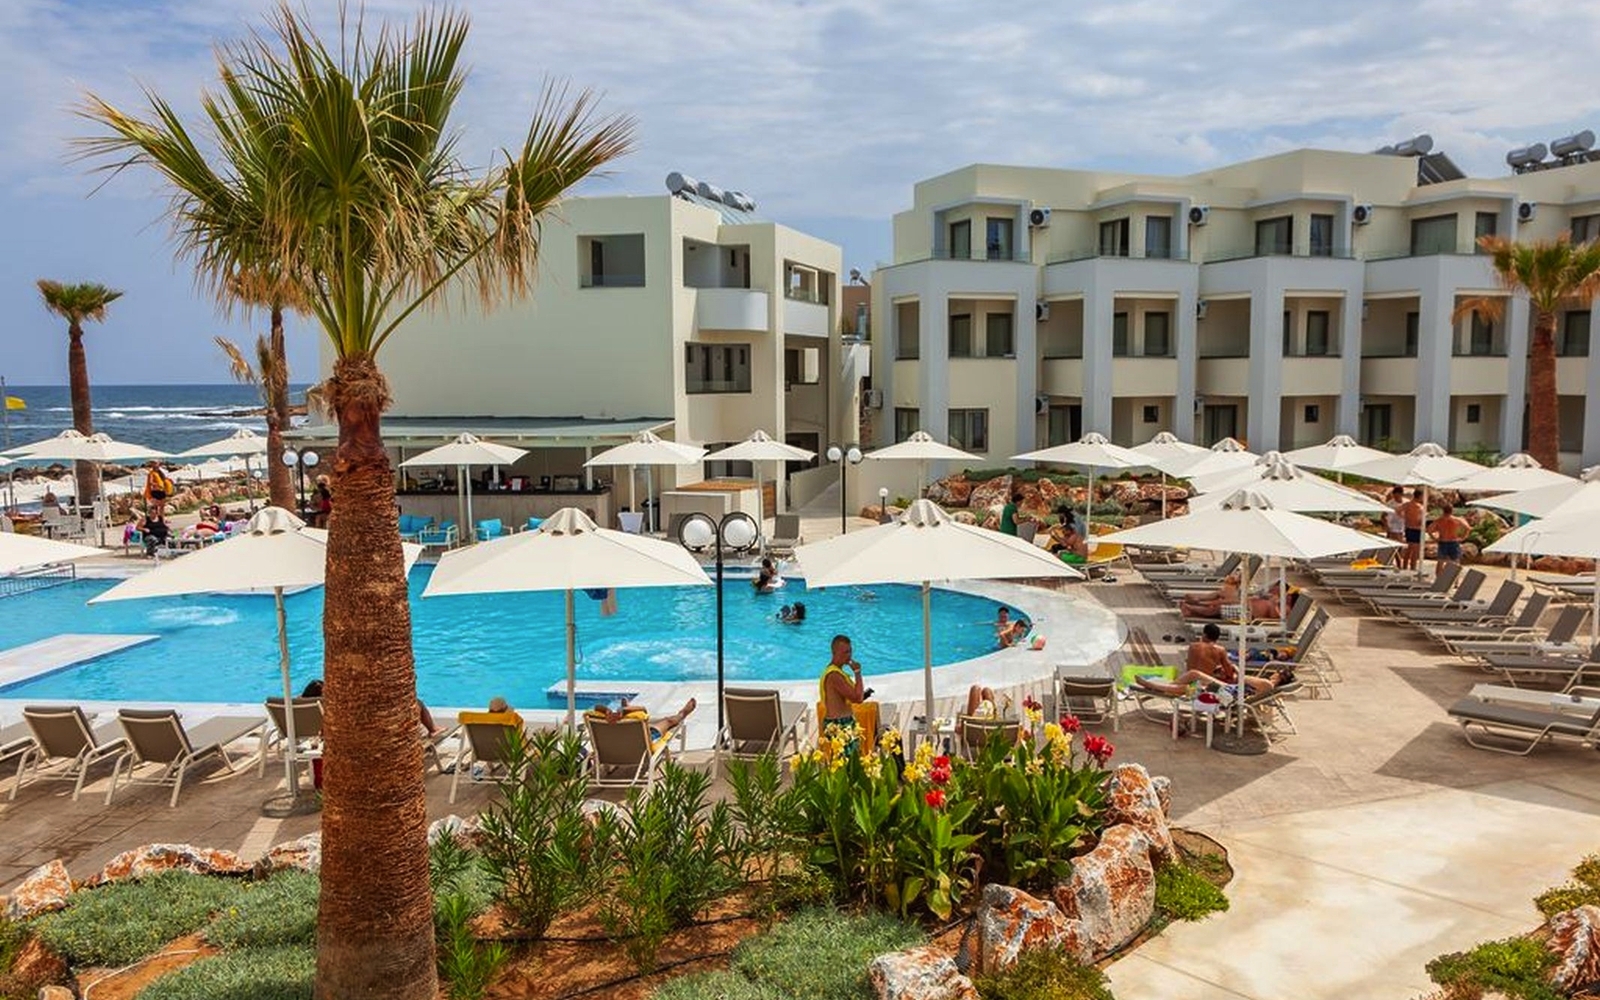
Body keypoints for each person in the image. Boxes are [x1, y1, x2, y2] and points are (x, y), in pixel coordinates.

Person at [588, 696, 697, 745]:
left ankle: (626, 710)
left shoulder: (597, 721)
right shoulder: (637, 721)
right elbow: (644, 711)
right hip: (639, 744)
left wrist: (607, 712)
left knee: (636, 721)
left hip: (613, 748)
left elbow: (597, 707)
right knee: (668, 721)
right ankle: (682, 713)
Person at [820, 634, 866, 730]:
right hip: (839, 725)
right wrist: (857, 672)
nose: (848, 655)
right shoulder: (834, 675)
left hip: (841, 723)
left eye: (850, 651)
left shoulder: (837, 671)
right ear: (834, 652)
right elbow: (858, 698)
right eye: (845, 652)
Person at [1429, 503, 1471, 577]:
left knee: (1440, 562)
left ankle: (1439, 580)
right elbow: (1468, 528)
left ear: (1443, 510)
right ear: (1452, 510)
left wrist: (1434, 538)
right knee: (1456, 562)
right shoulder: (1456, 520)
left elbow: (1429, 530)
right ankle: (1455, 581)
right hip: (1453, 541)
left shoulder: (1439, 520)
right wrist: (1463, 537)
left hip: (1443, 541)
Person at [1398, 488, 1427, 572]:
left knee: (1409, 549)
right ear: (1420, 496)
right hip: (1416, 529)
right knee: (1415, 551)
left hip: (1409, 527)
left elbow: (1397, 510)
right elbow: (1419, 520)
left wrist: (1405, 518)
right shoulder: (1420, 507)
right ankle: (1412, 568)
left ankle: (1405, 567)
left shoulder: (1407, 505)